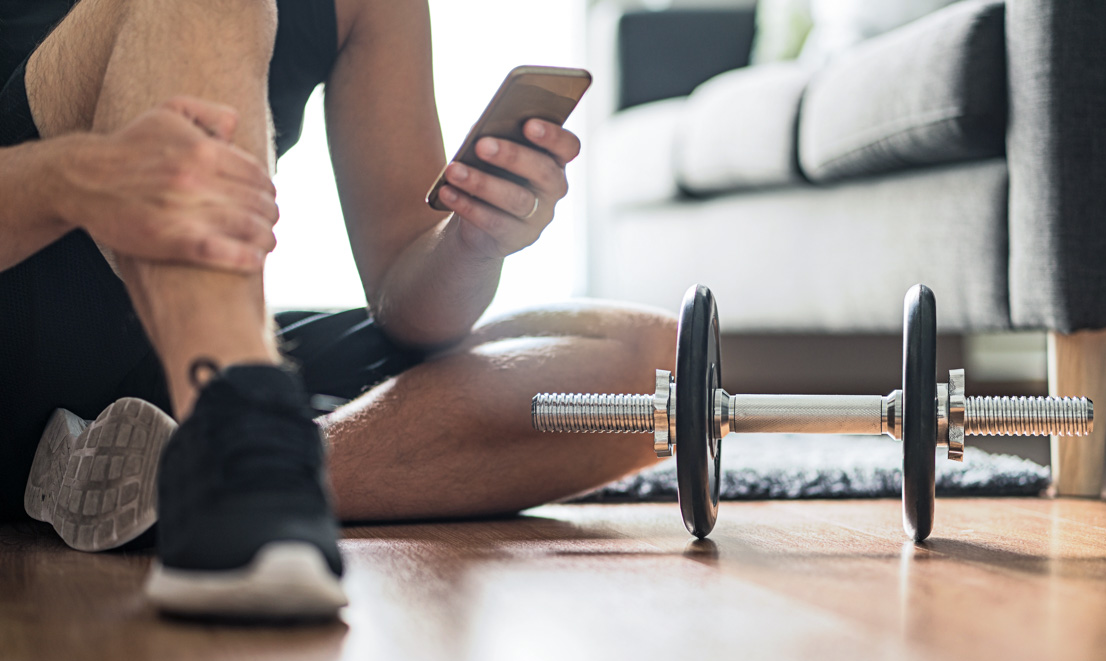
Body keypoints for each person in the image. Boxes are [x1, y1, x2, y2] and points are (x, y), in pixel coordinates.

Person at [0, 0, 676, 619]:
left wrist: (473, 240)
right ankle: (239, 449)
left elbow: (409, 309)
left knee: (657, 372)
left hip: (158, 384)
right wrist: (72, 177)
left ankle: (196, 475)